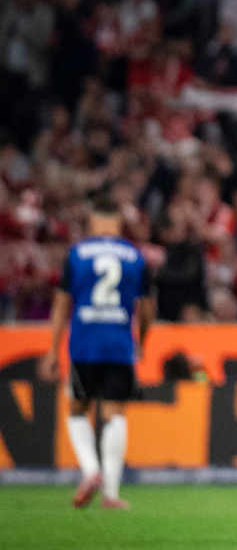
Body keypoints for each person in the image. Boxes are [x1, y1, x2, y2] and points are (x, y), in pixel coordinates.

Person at [38, 195, 156, 510]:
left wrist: (53, 350)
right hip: (119, 343)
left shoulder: (77, 254)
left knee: (77, 409)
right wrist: (142, 340)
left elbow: (62, 304)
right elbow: (146, 308)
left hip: (84, 343)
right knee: (115, 413)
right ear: (118, 221)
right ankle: (111, 494)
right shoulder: (134, 256)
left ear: (93, 220)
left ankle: (91, 471)